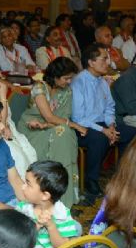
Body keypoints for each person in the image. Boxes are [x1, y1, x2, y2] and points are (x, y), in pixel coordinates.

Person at [71, 43, 136, 204]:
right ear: (91, 62)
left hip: (102, 124)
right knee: (99, 138)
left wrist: (111, 125)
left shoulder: (102, 81)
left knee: (132, 132)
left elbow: (109, 107)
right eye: (104, 59)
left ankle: (122, 175)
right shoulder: (79, 82)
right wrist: (103, 130)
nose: (108, 62)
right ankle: (91, 180)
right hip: (83, 126)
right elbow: (77, 117)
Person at [17, 57, 85, 207]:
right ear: (55, 76)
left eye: (71, 78)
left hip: (52, 127)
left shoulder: (67, 91)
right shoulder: (39, 88)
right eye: (66, 78)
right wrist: (75, 125)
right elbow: (48, 116)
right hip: (32, 128)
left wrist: (49, 125)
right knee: (64, 131)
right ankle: (55, 188)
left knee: (64, 133)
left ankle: (62, 196)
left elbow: (63, 116)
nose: (69, 81)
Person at [15, 160, 79, 248]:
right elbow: (17, 240)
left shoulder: (62, 215)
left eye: (28, 184)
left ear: (45, 195)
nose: (22, 187)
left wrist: (51, 226)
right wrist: (36, 226)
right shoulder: (22, 209)